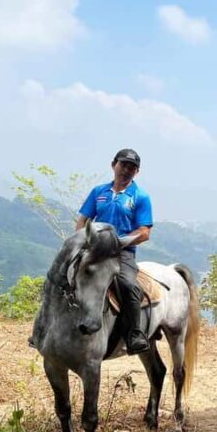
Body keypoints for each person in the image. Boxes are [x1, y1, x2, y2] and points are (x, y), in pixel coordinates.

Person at [76, 148, 153, 355]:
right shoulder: (98, 192)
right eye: (123, 165)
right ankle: (45, 327)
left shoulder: (140, 196)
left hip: (122, 253)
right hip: (94, 249)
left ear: (137, 172)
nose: (126, 170)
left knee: (128, 285)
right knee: (63, 273)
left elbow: (145, 232)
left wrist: (119, 242)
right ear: (113, 165)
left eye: (132, 167)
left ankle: (135, 334)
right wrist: (82, 239)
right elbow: (83, 220)